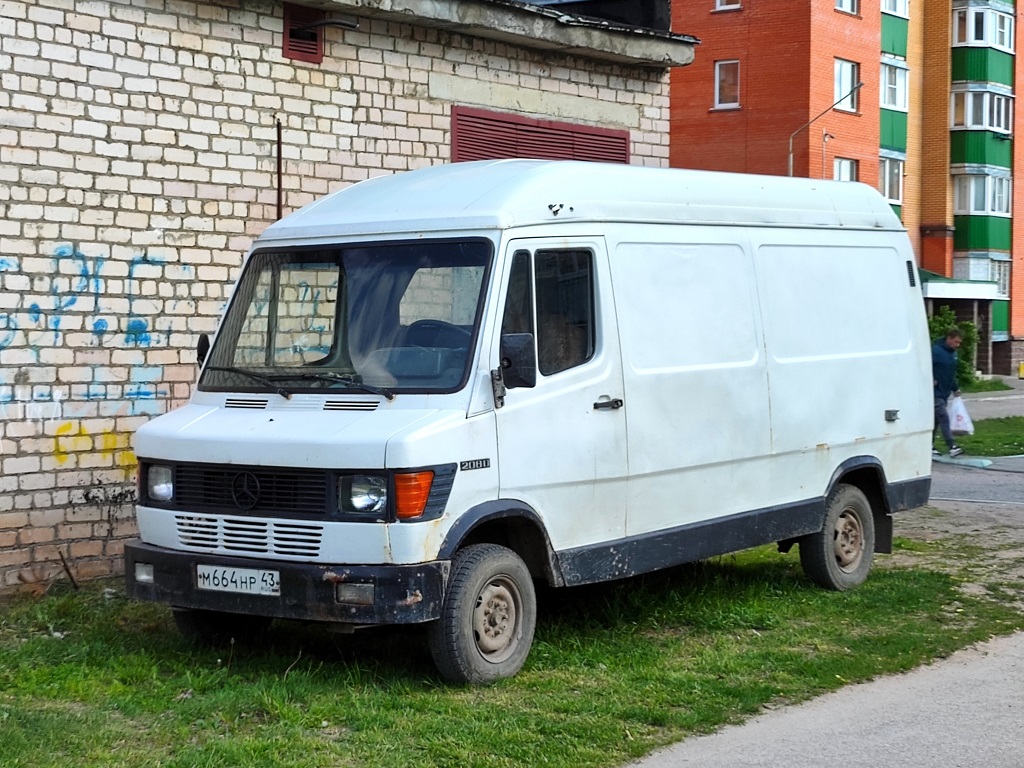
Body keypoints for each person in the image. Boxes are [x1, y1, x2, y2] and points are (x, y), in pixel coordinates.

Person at [932, 327, 964, 458]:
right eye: (956, 342)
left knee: (936, 420)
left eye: (959, 343)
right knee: (944, 417)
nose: (957, 345)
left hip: (944, 392)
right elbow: (925, 366)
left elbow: (950, 374)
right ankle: (952, 446)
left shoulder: (953, 354)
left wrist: (955, 388)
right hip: (934, 392)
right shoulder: (935, 351)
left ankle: (929, 446)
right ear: (949, 338)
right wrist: (930, 379)